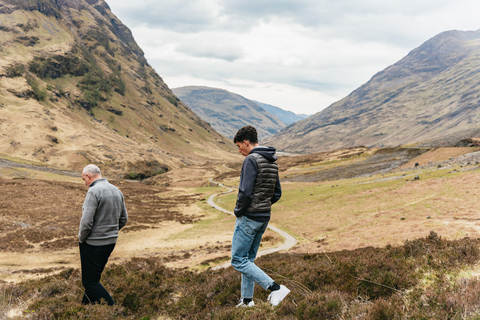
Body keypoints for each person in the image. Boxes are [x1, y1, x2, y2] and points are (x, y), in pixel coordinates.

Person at [231, 125, 290, 307]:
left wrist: (239, 211)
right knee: (248, 260)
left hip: (249, 217)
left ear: (246, 142)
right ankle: (247, 301)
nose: (239, 150)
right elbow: (277, 193)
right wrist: (263, 207)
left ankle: (275, 288)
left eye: (239, 146)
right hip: (263, 218)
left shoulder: (251, 160)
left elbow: (245, 193)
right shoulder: (271, 160)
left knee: (238, 260)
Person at [78, 164, 128, 305]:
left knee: (90, 282)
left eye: (84, 179)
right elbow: (124, 219)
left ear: (89, 176)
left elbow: (86, 222)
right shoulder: (117, 190)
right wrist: (110, 233)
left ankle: (115, 312)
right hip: (110, 243)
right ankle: (84, 310)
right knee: (93, 279)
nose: (85, 183)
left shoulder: (93, 191)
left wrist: (82, 239)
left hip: (93, 244)